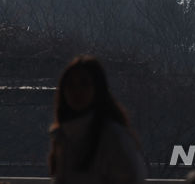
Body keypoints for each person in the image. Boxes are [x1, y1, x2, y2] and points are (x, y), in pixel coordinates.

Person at [48, 55, 146, 184]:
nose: (77, 91)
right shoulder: (63, 137)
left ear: (98, 89)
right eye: (71, 85)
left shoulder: (113, 137)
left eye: (84, 84)